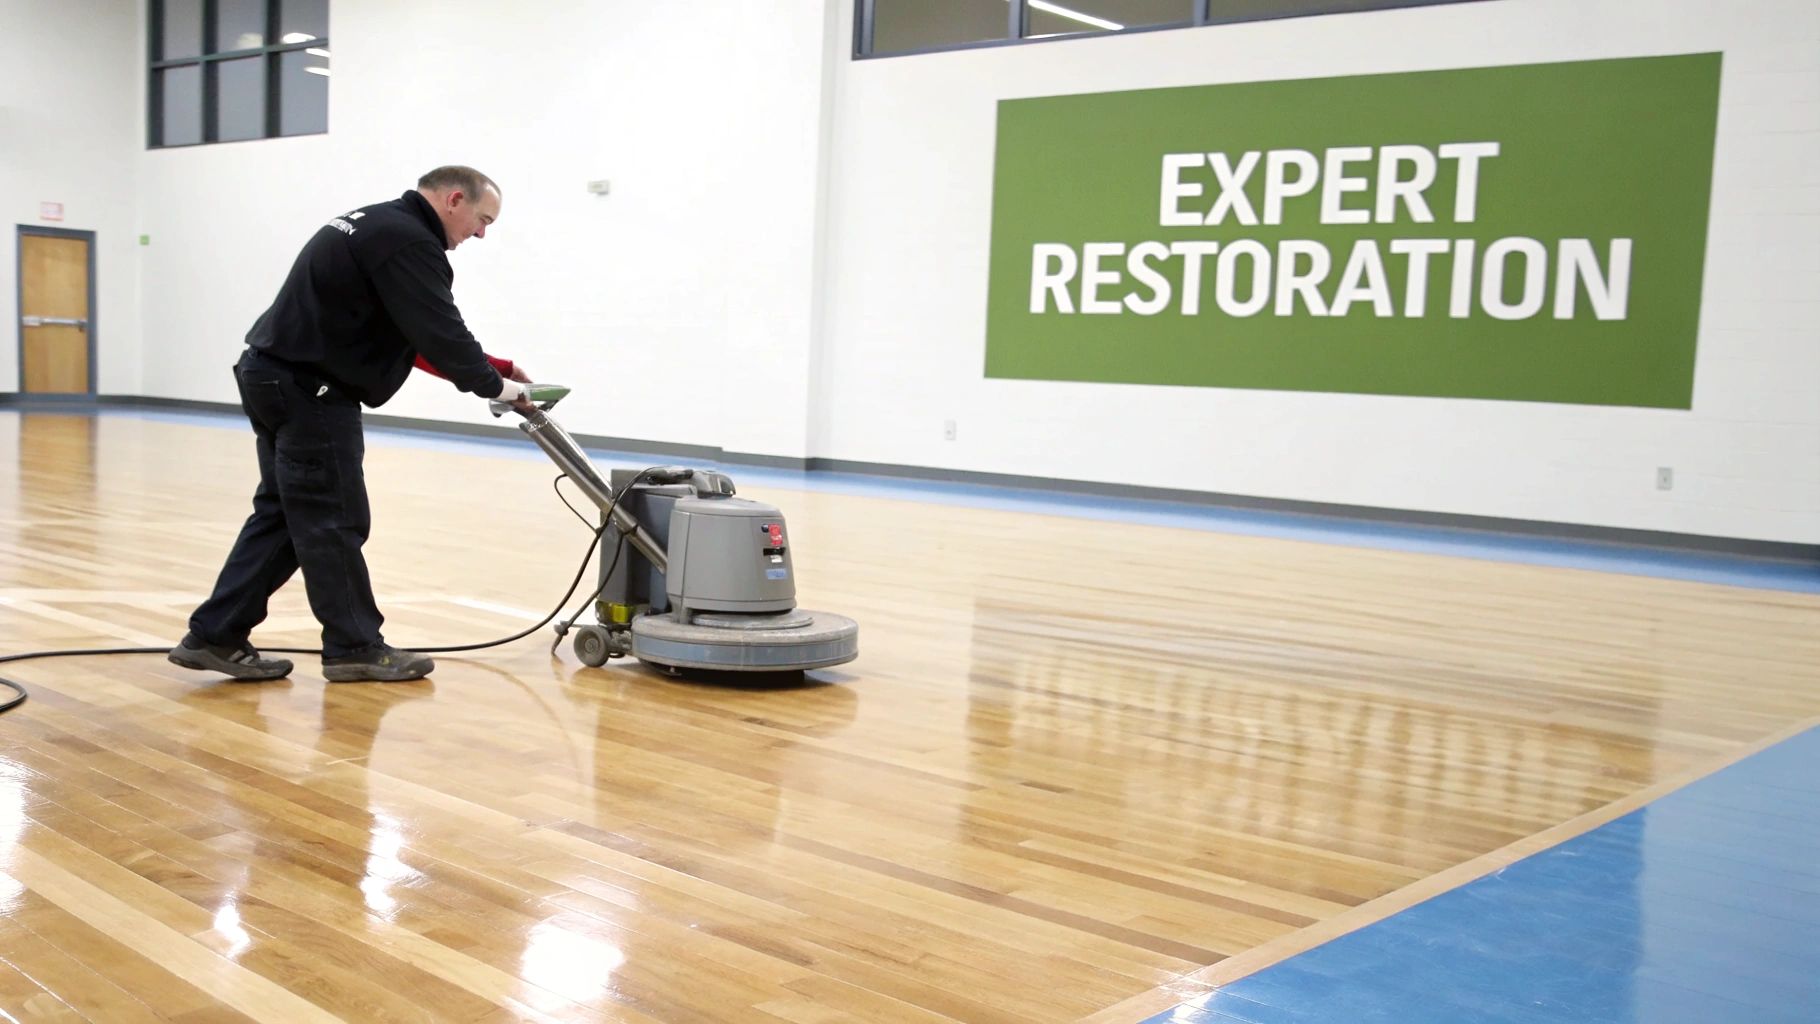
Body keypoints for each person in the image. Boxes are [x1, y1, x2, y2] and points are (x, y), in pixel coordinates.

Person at [168, 165, 533, 684]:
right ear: (455, 200)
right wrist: (501, 390)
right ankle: (355, 646)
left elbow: (411, 335)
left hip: (272, 375)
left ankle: (214, 636)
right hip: (310, 392)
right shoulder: (410, 242)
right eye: (482, 220)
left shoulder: (378, 225)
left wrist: (493, 369)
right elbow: (439, 330)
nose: (480, 234)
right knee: (333, 518)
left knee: (285, 517)